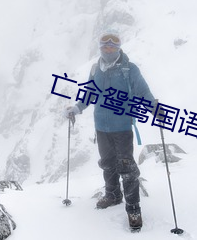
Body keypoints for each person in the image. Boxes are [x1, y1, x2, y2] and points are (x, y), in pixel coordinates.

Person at [64, 29, 156, 232]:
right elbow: (90, 93)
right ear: (100, 47)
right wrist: (77, 108)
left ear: (119, 47)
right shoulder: (96, 69)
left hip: (122, 126)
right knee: (107, 163)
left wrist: (154, 108)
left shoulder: (129, 69)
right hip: (101, 127)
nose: (109, 48)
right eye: (105, 45)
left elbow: (143, 91)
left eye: (113, 45)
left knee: (127, 167)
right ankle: (113, 194)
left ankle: (133, 209)